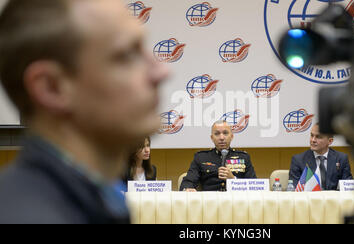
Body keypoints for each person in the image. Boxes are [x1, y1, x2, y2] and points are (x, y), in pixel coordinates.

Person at [0, 0, 168, 224]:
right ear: (52, 87)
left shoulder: (99, 201)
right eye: (126, 55)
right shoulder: (32, 215)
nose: (161, 71)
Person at [180, 120, 257, 191]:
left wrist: (233, 180)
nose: (221, 138)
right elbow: (188, 181)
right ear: (212, 138)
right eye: (217, 134)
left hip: (236, 202)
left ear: (232, 136)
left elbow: (254, 185)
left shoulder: (244, 157)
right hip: (210, 202)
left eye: (225, 133)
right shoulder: (201, 157)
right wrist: (188, 189)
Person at [289, 123, 353, 190]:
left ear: (330, 141)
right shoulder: (298, 160)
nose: (313, 140)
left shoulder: (341, 159)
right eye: (312, 135)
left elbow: (348, 187)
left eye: (318, 137)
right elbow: (294, 189)